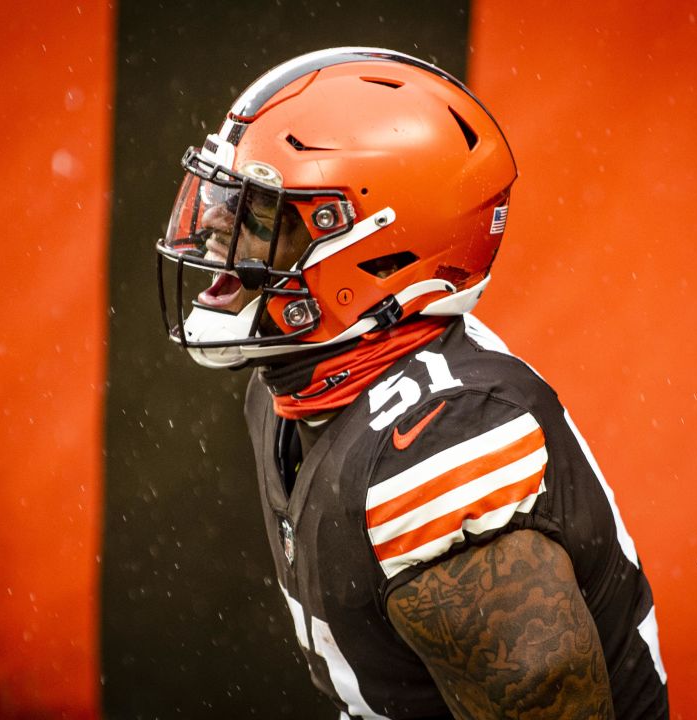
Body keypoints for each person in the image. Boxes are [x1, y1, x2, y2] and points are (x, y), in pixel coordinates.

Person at [155, 47, 669, 720]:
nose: (216, 224)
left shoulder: (438, 450)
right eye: (229, 197)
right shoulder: (294, 382)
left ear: (374, 250)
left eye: (259, 213)